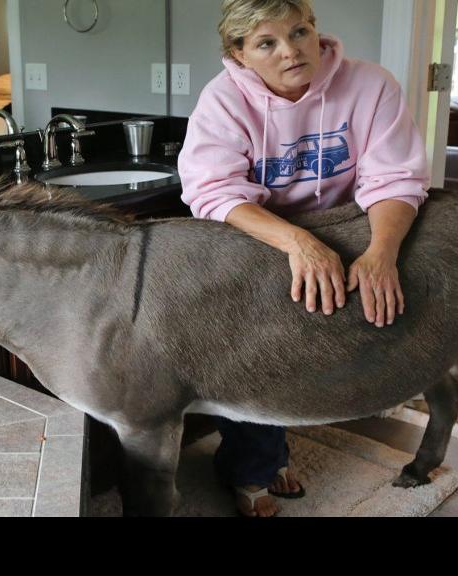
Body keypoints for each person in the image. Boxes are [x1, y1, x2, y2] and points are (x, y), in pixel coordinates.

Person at [178, 0, 430, 517]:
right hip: (256, 232)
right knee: (249, 352)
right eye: (266, 43)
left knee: (328, 343)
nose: (290, 51)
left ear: (315, 31)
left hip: (344, 225)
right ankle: (253, 466)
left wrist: (381, 253)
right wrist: (297, 242)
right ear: (239, 54)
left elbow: (395, 177)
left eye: (299, 32)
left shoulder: (372, 85)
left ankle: (271, 449)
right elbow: (212, 190)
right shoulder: (222, 100)